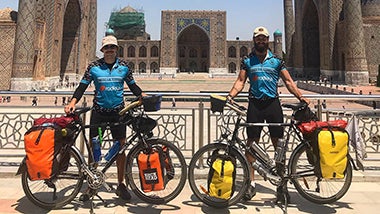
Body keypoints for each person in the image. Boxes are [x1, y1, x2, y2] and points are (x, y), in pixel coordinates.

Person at [226, 26, 310, 202]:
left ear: (268, 40)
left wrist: (301, 96)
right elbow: (240, 81)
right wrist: (230, 96)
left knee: (278, 145)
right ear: (254, 40)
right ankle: (251, 184)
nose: (261, 41)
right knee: (251, 145)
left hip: (272, 104)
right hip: (255, 105)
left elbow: (288, 81)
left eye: (264, 38)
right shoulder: (248, 60)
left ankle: (281, 185)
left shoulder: (277, 61)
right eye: (258, 38)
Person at [64, 35, 146, 201]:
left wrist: (142, 94)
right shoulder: (94, 67)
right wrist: (73, 102)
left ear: (116, 49)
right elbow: (82, 87)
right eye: (107, 48)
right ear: (102, 50)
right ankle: (91, 184)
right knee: (96, 146)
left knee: (120, 148)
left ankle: (121, 184)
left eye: (112, 48)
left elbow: (132, 85)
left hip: (118, 114)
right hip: (99, 114)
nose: (110, 50)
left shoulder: (124, 67)